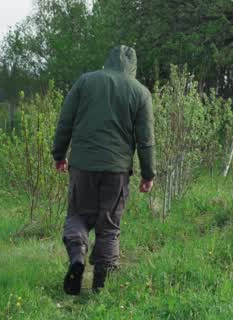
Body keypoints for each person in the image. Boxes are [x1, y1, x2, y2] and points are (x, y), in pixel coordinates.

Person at [51, 45, 156, 295]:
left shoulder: (85, 82)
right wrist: (148, 174)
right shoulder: (140, 92)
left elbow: (65, 121)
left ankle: (77, 257)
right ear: (133, 66)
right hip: (116, 170)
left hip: (83, 165)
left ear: (108, 60)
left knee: (78, 216)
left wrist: (59, 155)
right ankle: (101, 287)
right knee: (108, 225)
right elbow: (145, 139)